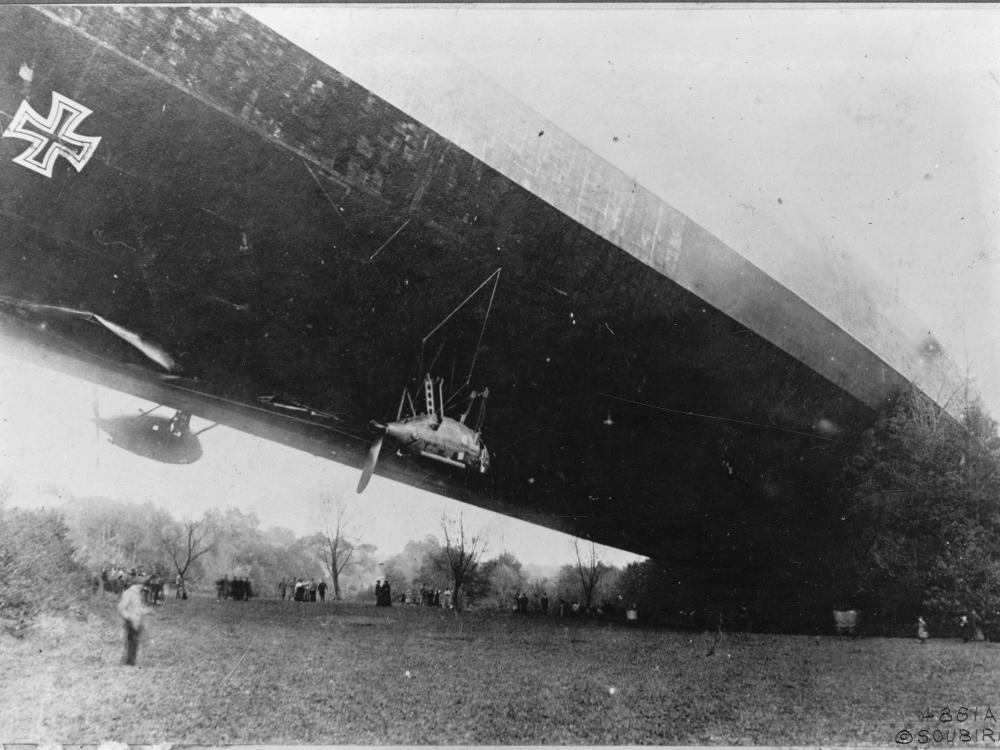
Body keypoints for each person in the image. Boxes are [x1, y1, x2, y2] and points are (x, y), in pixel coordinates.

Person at [118, 576, 149, 666]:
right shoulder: (128, 593)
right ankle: (128, 663)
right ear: (137, 585)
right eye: (142, 585)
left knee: (134, 642)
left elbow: (137, 608)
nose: (143, 587)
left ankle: (131, 663)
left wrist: (146, 611)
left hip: (137, 621)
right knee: (130, 642)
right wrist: (129, 617)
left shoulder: (137, 594)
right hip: (130, 621)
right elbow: (121, 608)